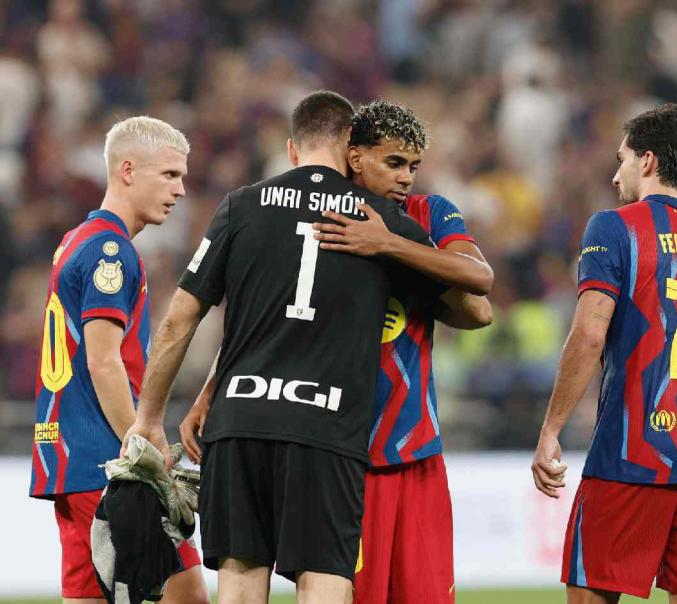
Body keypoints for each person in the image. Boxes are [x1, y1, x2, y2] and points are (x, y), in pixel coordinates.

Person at [121, 91, 445, 604]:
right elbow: (474, 307)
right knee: (323, 581)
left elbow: (179, 321)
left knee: (241, 585)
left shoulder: (240, 205)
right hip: (325, 426)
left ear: (293, 149)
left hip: (239, 422)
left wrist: (148, 418)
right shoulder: (378, 221)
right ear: (350, 148)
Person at [181, 100, 495, 603]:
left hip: (407, 438)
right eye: (394, 163)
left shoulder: (426, 215)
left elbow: (480, 307)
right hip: (334, 443)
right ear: (353, 155)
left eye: (413, 166)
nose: (407, 178)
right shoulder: (311, 215)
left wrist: (390, 246)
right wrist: (210, 388)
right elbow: (267, 323)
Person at [531, 103, 677, 604]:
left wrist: (551, 430)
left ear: (648, 161)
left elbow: (589, 335)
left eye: (622, 159)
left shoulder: (614, 228)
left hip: (629, 457)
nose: (615, 175)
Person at [29, 116, 208, 604]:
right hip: (109, 462)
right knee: (188, 593)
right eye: (170, 175)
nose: (181, 190)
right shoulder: (112, 252)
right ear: (128, 170)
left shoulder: (76, 241)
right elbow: (103, 361)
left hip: (69, 457)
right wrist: (142, 449)